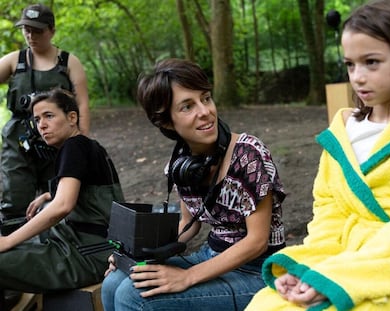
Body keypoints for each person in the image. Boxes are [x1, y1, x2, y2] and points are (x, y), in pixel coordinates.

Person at [246, 0, 390, 310]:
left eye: (372, 62)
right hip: (340, 258)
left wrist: (338, 278)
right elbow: (328, 211)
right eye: (350, 64)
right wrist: (309, 269)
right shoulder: (343, 133)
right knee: (265, 304)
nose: (358, 77)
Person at [101, 58, 286, 310]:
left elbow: (257, 241)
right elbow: (188, 225)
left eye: (206, 98)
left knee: (132, 296)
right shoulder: (181, 164)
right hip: (211, 256)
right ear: (166, 121)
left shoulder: (248, 155)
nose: (204, 111)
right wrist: (132, 257)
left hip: (259, 271)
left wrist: (187, 277)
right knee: (114, 282)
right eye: (187, 106)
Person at [0, 88, 124, 303]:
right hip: (93, 246)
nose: (42, 125)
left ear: (72, 117)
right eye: (37, 119)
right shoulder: (86, 146)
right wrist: (49, 194)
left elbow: (63, 206)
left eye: (49, 116)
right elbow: (85, 188)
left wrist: (9, 241)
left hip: (89, 254)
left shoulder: (74, 147)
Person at [0, 3, 90, 219]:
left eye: (37, 30)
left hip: (58, 142)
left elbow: (83, 104)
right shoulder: (15, 60)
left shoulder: (69, 62)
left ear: (52, 30)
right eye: (26, 29)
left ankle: (53, 247)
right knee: (15, 195)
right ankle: (13, 246)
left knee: (58, 196)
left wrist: (82, 144)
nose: (30, 36)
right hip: (19, 141)